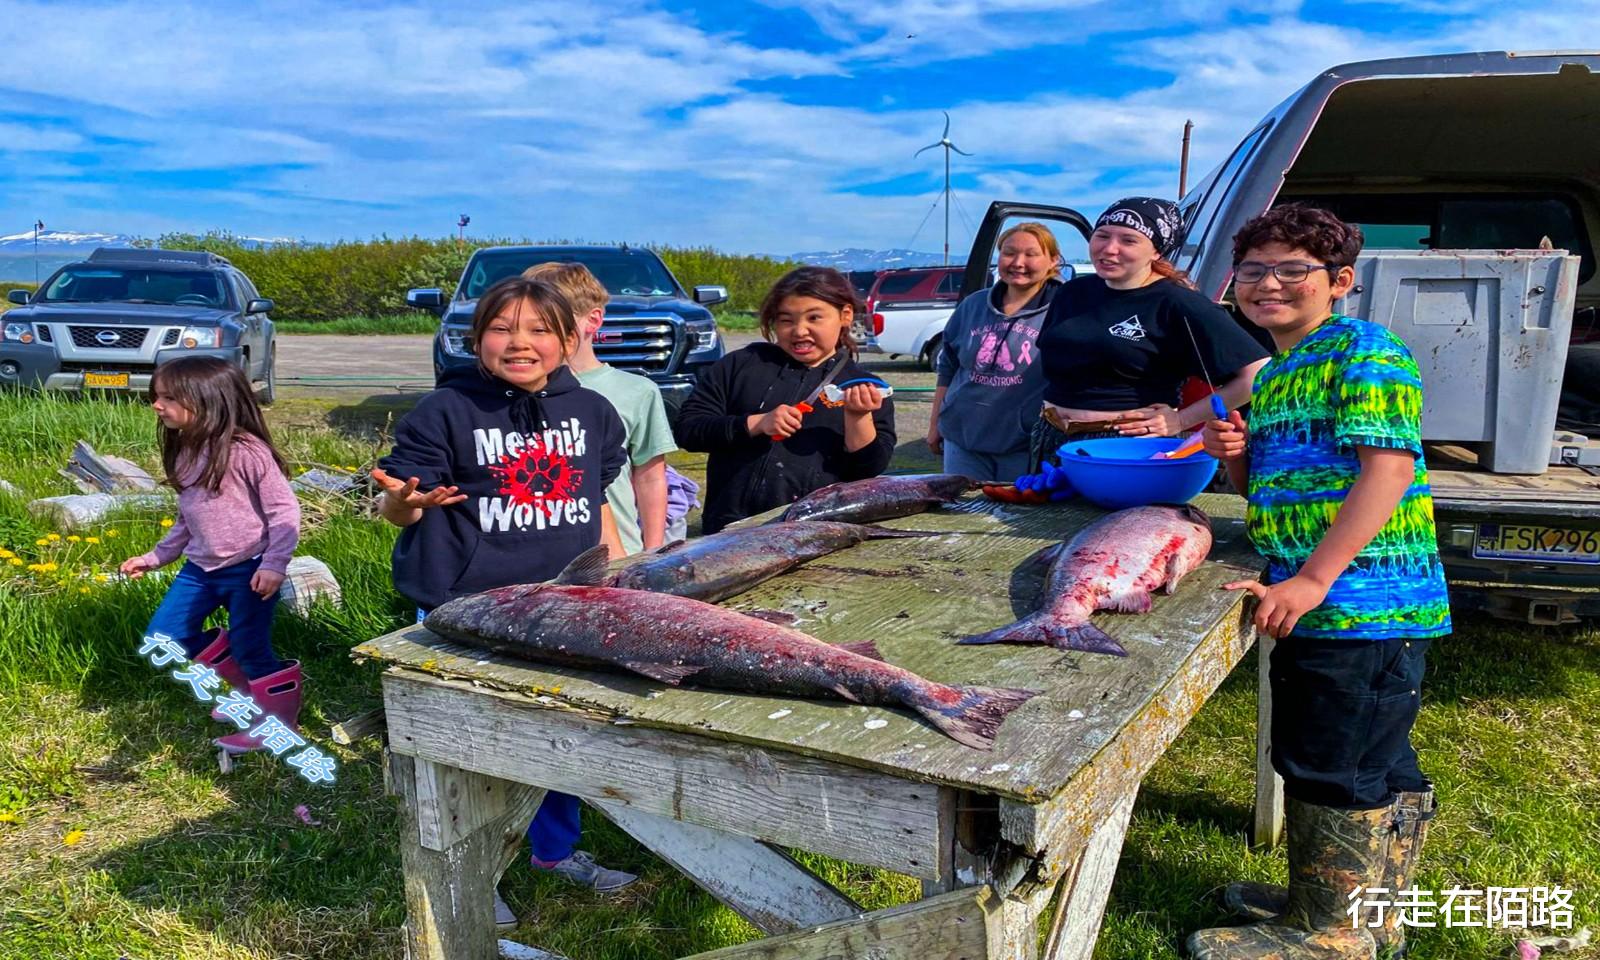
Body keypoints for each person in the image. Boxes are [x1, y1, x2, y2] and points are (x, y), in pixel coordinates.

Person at [1189, 205, 1450, 960]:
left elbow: (1390, 471)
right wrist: (1235, 451)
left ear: (1339, 281)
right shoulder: (1277, 372)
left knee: (1330, 764)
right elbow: (1269, 487)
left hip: (1362, 607)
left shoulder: (1366, 350)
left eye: (1291, 269)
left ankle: (1329, 934)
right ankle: (1364, 909)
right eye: (1253, 270)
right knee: (1377, 761)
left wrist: (1311, 578)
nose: (1268, 283)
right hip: (1336, 603)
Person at [370, 276, 635, 925]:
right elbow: (396, 506)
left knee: (561, 739)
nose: (520, 342)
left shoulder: (594, 414)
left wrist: (620, 579)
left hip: (563, 609)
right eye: (502, 327)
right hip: (467, 611)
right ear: (476, 337)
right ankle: (474, 870)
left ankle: (554, 852)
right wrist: (405, 503)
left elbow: (593, 501)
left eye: (540, 329)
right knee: (467, 748)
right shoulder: (445, 410)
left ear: (570, 338)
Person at [119, 356, 302, 756]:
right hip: (200, 569)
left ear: (207, 400)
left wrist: (274, 564)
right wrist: (155, 557)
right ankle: (243, 693)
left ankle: (276, 723)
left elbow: (283, 512)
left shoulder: (247, 451)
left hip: (251, 568)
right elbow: (189, 517)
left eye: (167, 397)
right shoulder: (185, 450)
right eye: (156, 396)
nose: (156, 405)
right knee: (163, 638)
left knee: (252, 647)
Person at [1031, 197, 1270, 469]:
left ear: (1157, 251)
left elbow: (1259, 373)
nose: (1109, 249)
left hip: (1125, 446)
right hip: (1050, 437)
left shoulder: (1177, 302)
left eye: (1128, 240)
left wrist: (1181, 420)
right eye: (1102, 236)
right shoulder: (1071, 292)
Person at [675, 266, 895, 533]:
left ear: (845, 315)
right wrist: (756, 424)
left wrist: (858, 417)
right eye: (786, 320)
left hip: (816, 532)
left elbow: (869, 469)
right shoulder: (741, 364)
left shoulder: (864, 386)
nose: (800, 331)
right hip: (729, 528)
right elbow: (689, 430)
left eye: (814, 318)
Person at [523, 261, 676, 553]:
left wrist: (652, 551)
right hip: (537, 557)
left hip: (616, 556)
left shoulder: (638, 392)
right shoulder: (513, 393)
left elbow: (651, 476)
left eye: (552, 319)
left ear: (592, 320)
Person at [926, 222, 1062, 482]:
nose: (1018, 262)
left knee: (1015, 517)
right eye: (1009, 253)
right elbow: (948, 368)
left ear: (1052, 260)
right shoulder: (973, 305)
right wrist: (936, 424)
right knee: (964, 514)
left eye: (1031, 254)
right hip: (963, 439)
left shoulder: (1064, 309)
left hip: (1024, 445)